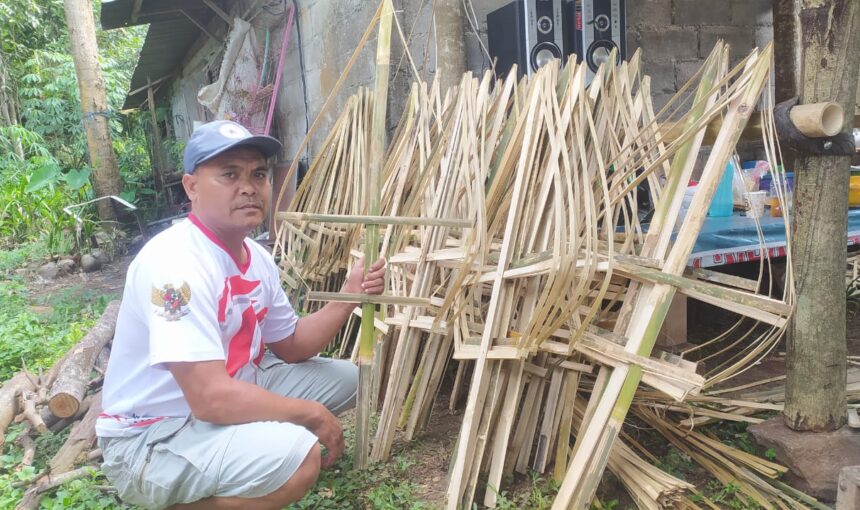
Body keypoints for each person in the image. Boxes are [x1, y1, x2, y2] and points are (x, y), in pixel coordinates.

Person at [96, 120, 386, 510]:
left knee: (351, 379)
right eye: (229, 174)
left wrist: (349, 296)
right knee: (299, 458)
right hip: (153, 434)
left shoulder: (256, 258)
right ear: (192, 186)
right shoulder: (175, 265)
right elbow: (210, 398)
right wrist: (311, 415)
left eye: (258, 174)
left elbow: (292, 346)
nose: (248, 186)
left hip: (223, 397)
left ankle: (238, 446)